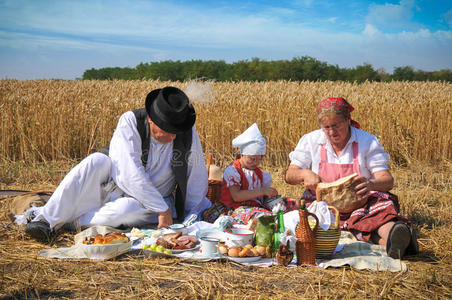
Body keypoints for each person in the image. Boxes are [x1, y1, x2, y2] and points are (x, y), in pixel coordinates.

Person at [23, 86, 211, 242]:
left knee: (124, 210)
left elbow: (196, 175)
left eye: (175, 131)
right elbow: (129, 173)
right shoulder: (131, 121)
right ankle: (45, 220)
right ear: (151, 119)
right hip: (114, 187)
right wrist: (162, 209)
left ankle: (64, 220)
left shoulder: (185, 131)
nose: (173, 136)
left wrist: (189, 216)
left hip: (151, 204)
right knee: (96, 160)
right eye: (167, 130)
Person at [285, 97, 419, 259]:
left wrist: (370, 184)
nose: (332, 132)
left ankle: (394, 232)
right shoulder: (311, 140)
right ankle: (399, 245)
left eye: (336, 126)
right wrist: (304, 174)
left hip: (361, 202)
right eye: (326, 127)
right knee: (307, 221)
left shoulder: (366, 141)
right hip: (323, 206)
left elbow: (387, 180)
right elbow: (289, 175)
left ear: (348, 120)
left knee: (378, 218)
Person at [219, 123, 298, 225]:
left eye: (259, 159)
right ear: (242, 154)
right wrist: (262, 191)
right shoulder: (233, 171)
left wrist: (271, 198)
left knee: (291, 204)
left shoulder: (259, 174)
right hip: (236, 208)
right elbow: (236, 196)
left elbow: (261, 200)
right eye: (252, 159)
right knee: (264, 218)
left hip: (256, 207)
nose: (255, 163)